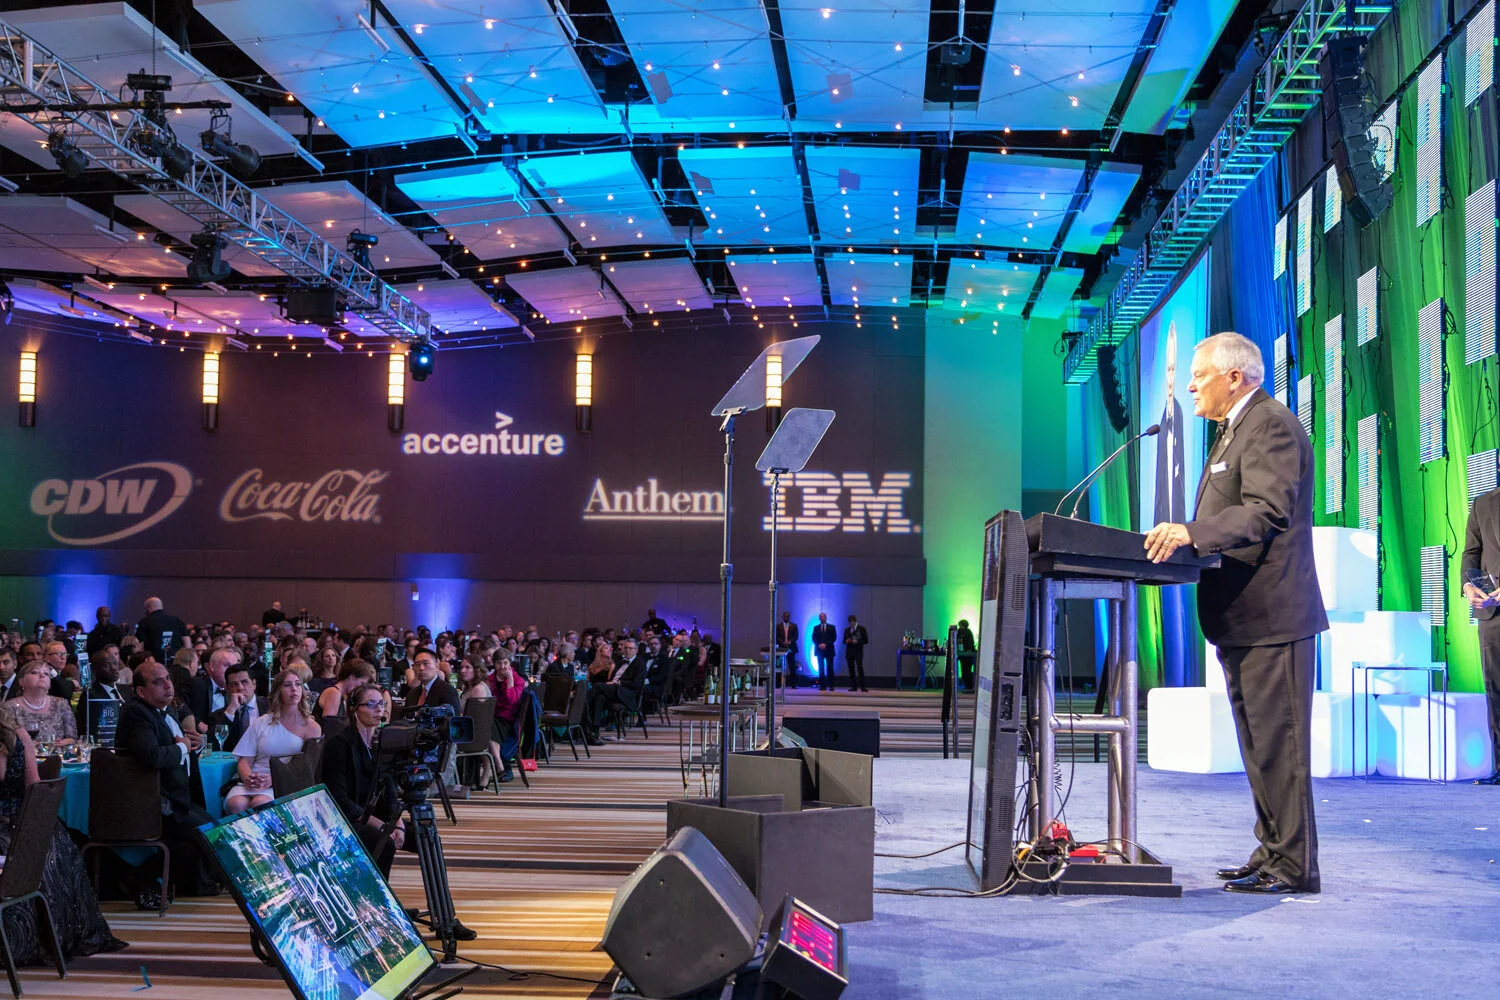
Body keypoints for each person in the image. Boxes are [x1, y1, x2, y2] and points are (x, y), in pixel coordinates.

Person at [1144, 331, 1326, 895]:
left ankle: (1293, 866)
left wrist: (1191, 533)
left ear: (1234, 377)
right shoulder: (1231, 432)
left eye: (1198, 375)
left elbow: (1267, 511)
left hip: (1274, 618)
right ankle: (1272, 849)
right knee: (1258, 744)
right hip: (1241, 618)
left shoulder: (1269, 424)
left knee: (1281, 746)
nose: (1190, 386)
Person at [0, 704, 126, 963]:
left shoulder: (18, 735)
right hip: (32, 832)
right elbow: (34, 788)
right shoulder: (19, 733)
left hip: (11, 841)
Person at [114, 659, 219, 899]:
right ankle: (137, 876)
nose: (167, 686)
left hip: (175, 798)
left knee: (213, 830)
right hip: (151, 803)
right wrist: (182, 748)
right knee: (207, 833)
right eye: (157, 682)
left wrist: (195, 744)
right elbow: (152, 756)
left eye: (168, 679)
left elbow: (178, 749)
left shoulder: (165, 710)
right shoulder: (136, 713)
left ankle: (148, 878)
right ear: (141, 691)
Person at [321, 682, 404, 876]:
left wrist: (398, 822)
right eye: (371, 704)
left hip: (378, 815)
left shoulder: (381, 742)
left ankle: (437, 903)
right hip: (348, 817)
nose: (379, 709)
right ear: (354, 710)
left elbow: (390, 790)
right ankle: (381, 900)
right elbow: (340, 800)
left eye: (381, 704)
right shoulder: (339, 745)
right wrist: (382, 825)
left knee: (425, 835)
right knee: (383, 841)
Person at [223, 670, 321, 814]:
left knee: (260, 803)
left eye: (298, 684)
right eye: (288, 685)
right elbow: (245, 761)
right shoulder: (262, 722)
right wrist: (247, 778)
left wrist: (273, 779)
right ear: (278, 691)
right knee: (236, 804)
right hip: (254, 779)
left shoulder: (312, 727)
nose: (294, 689)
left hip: (286, 781)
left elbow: (307, 769)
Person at [1461, 486, 1500, 784]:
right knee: (1496, 690)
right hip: (1492, 613)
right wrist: (1468, 586)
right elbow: (1471, 553)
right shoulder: (1483, 503)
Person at [1155, 320, 1188, 525]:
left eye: (1173, 371)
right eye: (1167, 371)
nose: (1170, 378)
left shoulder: (1179, 412)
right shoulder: (1161, 421)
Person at [2, 659, 77, 744]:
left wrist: (59, 744)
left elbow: (72, 738)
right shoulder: (8, 708)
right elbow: (6, 742)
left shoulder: (61, 704)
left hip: (56, 755)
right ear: (21, 681)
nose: (42, 675)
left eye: (46, 674)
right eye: (34, 672)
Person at [208, 661, 268, 752]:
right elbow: (213, 744)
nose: (240, 688)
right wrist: (231, 709)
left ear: (254, 684)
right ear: (227, 689)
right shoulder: (219, 715)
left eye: (244, 682)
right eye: (234, 684)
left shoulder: (271, 707)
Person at [78, 643, 131, 736]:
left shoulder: (126, 690)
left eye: (115, 663)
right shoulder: (90, 696)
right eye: (107, 665)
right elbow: (87, 728)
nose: (114, 668)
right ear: (95, 670)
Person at [136, 597, 188, 662]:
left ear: (149, 608)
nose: (144, 611)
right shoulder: (177, 621)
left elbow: (140, 645)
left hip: (154, 663)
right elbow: (186, 641)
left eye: (145, 609)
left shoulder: (144, 622)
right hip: (176, 661)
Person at [811, 613, 837, 692]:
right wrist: (819, 644)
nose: (822, 618)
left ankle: (831, 685)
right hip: (819, 650)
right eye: (821, 617)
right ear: (819, 618)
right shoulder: (816, 628)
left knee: (830, 668)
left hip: (829, 650)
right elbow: (813, 638)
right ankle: (822, 685)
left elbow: (834, 638)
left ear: (826, 618)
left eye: (823, 617)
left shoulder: (832, 627)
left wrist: (826, 644)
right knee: (821, 668)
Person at [843, 614, 869, 692]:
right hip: (849, 652)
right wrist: (846, 641)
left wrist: (857, 641)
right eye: (850, 623)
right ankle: (853, 686)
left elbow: (866, 640)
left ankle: (863, 686)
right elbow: (843, 641)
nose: (851, 624)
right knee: (851, 669)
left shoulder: (861, 629)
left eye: (852, 622)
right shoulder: (847, 630)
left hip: (858, 651)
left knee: (859, 668)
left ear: (855, 621)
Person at [776, 612, 800, 689]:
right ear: (782, 617)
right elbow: (776, 637)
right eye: (785, 616)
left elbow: (796, 636)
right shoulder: (778, 626)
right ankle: (777, 684)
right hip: (781, 648)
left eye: (788, 616)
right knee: (779, 666)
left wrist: (790, 641)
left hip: (791, 648)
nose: (787, 617)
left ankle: (793, 684)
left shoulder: (794, 626)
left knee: (792, 666)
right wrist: (783, 642)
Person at [955, 619, 977, 691]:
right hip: (968, 654)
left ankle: (968, 686)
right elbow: (971, 642)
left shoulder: (960, 632)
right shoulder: (968, 632)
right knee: (967, 670)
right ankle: (969, 686)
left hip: (964, 654)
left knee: (965, 671)